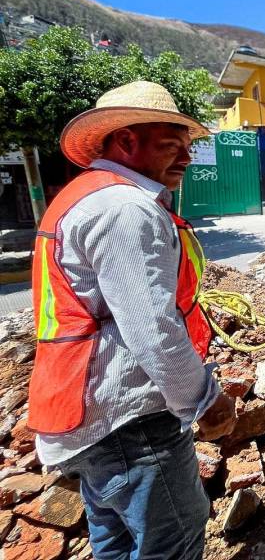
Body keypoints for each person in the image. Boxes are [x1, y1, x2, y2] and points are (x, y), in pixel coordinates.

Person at [29, 81, 237, 559]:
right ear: (126, 140)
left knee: (117, 544)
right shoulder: (125, 208)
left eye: (189, 145)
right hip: (129, 419)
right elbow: (153, 331)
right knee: (175, 540)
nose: (186, 156)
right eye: (173, 143)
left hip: (90, 412)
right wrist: (204, 400)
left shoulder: (88, 195)